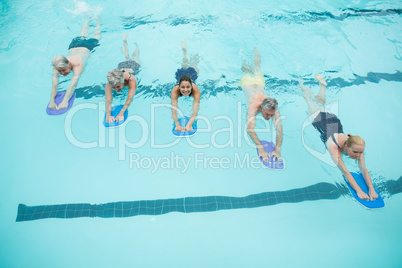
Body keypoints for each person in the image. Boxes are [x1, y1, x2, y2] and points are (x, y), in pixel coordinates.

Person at [300, 74, 378, 201]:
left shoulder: (356, 146)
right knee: (309, 101)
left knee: (319, 104)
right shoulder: (333, 148)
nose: (358, 155)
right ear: (346, 146)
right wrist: (358, 190)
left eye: (360, 153)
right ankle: (302, 85)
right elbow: (345, 171)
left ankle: (322, 87)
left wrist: (371, 188)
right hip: (322, 121)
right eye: (355, 153)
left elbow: (363, 168)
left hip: (333, 122)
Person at [239, 48, 283, 162]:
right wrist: (260, 147)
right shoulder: (253, 107)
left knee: (257, 67)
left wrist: (277, 149)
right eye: (267, 114)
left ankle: (256, 51)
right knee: (247, 70)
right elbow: (250, 129)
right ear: (261, 108)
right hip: (247, 83)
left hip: (259, 82)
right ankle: (243, 51)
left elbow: (280, 130)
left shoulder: (273, 109)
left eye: (271, 115)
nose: (269, 118)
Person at [48, 18, 101, 110]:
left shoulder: (77, 65)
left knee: (97, 34)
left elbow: (73, 84)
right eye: (60, 71)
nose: (62, 73)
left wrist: (65, 101)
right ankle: (87, 19)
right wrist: (52, 101)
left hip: (87, 46)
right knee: (83, 31)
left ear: (68, 64)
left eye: (64, 70)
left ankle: (97, 20)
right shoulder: (57, 66)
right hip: (73, 46)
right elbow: (54, 85)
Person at [105, 34, 140, 123]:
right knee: (126, 57)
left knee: (134, 57)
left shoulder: (131, 80)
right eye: (114, 87)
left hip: (133, 66)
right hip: (122, 66)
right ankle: (125, 42)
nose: (116, 90)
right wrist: (108, 115)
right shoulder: (110, 83)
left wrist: (121, 113)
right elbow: (108, 99)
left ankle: (136, 47)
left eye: (118, 87)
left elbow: (130, 98)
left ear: (123, 81)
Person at [171, 40, 200, 132]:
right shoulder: (175, 91)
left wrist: (190, 124)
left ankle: (190, 53)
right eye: (182, 87)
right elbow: (174, 109)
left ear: (191, 86)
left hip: (192, 75)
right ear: (179, 86)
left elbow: (195, 109)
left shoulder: (195, 90)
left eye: (188, 87)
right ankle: (184, 51)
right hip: (181, 76)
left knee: (194, 66)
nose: (186, 90)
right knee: (184, 65)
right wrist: (177, 124)